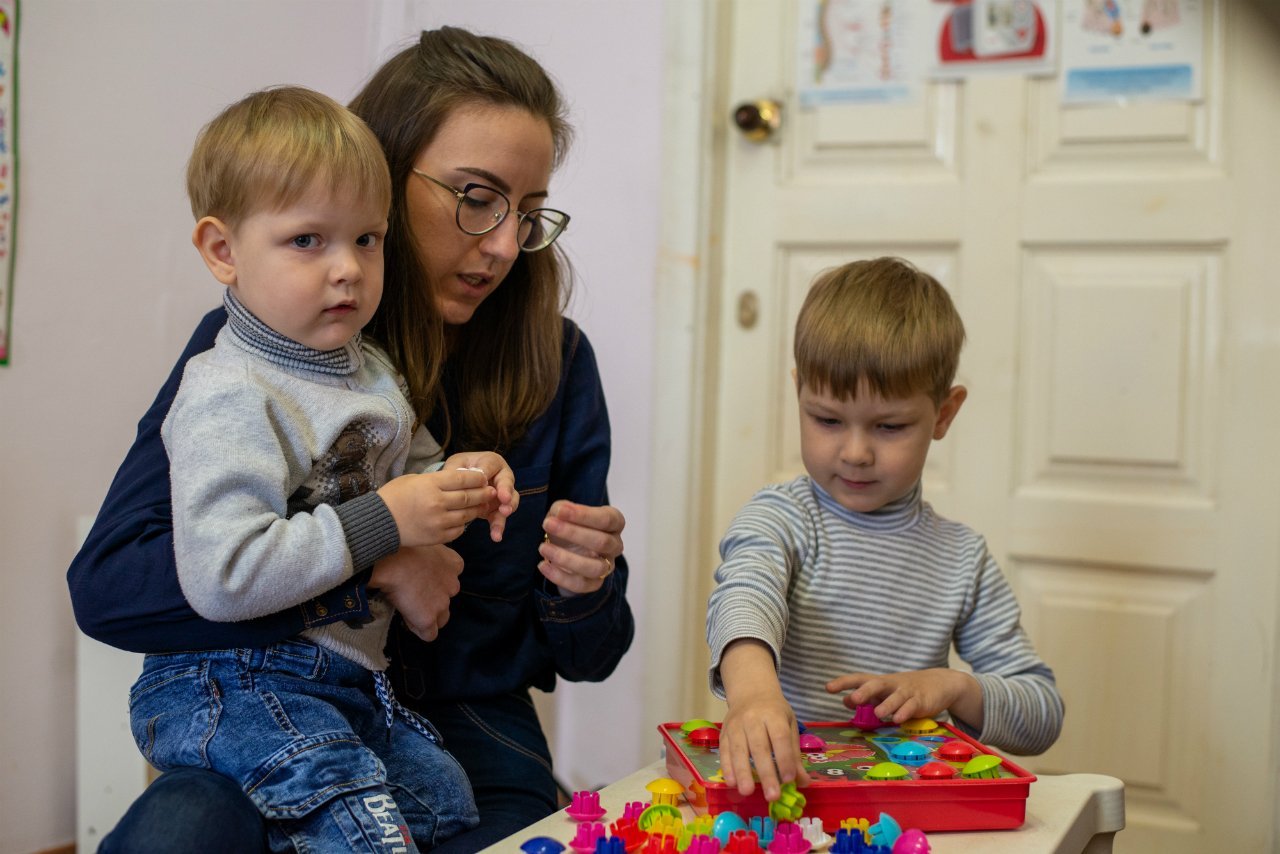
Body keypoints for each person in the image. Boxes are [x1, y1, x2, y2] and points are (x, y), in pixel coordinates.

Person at [68, 27, 634, 853]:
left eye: (530, 213)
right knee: (181, 832)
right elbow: (112, 587)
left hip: (467, 728)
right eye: (476, 198)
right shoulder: (253, 347)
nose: (507, 245)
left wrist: (586, 584)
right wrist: (371, 559)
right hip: (273, 704)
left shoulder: (558, 359)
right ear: (381, 172)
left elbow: (592, 656)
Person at [135, 84, 525, 851]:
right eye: (308, 241)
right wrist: (390, 526)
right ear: (223, 251)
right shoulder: (229, 391)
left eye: (367, 240)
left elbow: (413, 469)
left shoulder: (365, 370)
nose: (347, 269)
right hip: (235, 682)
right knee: (365, 835)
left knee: (446, 804)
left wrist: (465, 476)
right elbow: (224, 574)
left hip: (344, 684)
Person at [705, 257, 1064, 802]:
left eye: (889, 426)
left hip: (913, 819)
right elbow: (744, 596)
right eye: (826, 420)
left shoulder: (962, 558)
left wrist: (954, 687)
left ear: (944, 414)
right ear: (799, 393)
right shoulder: (780, 518)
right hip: (789, 806)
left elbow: (1042, 711)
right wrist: (753, 695)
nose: (855, 452)